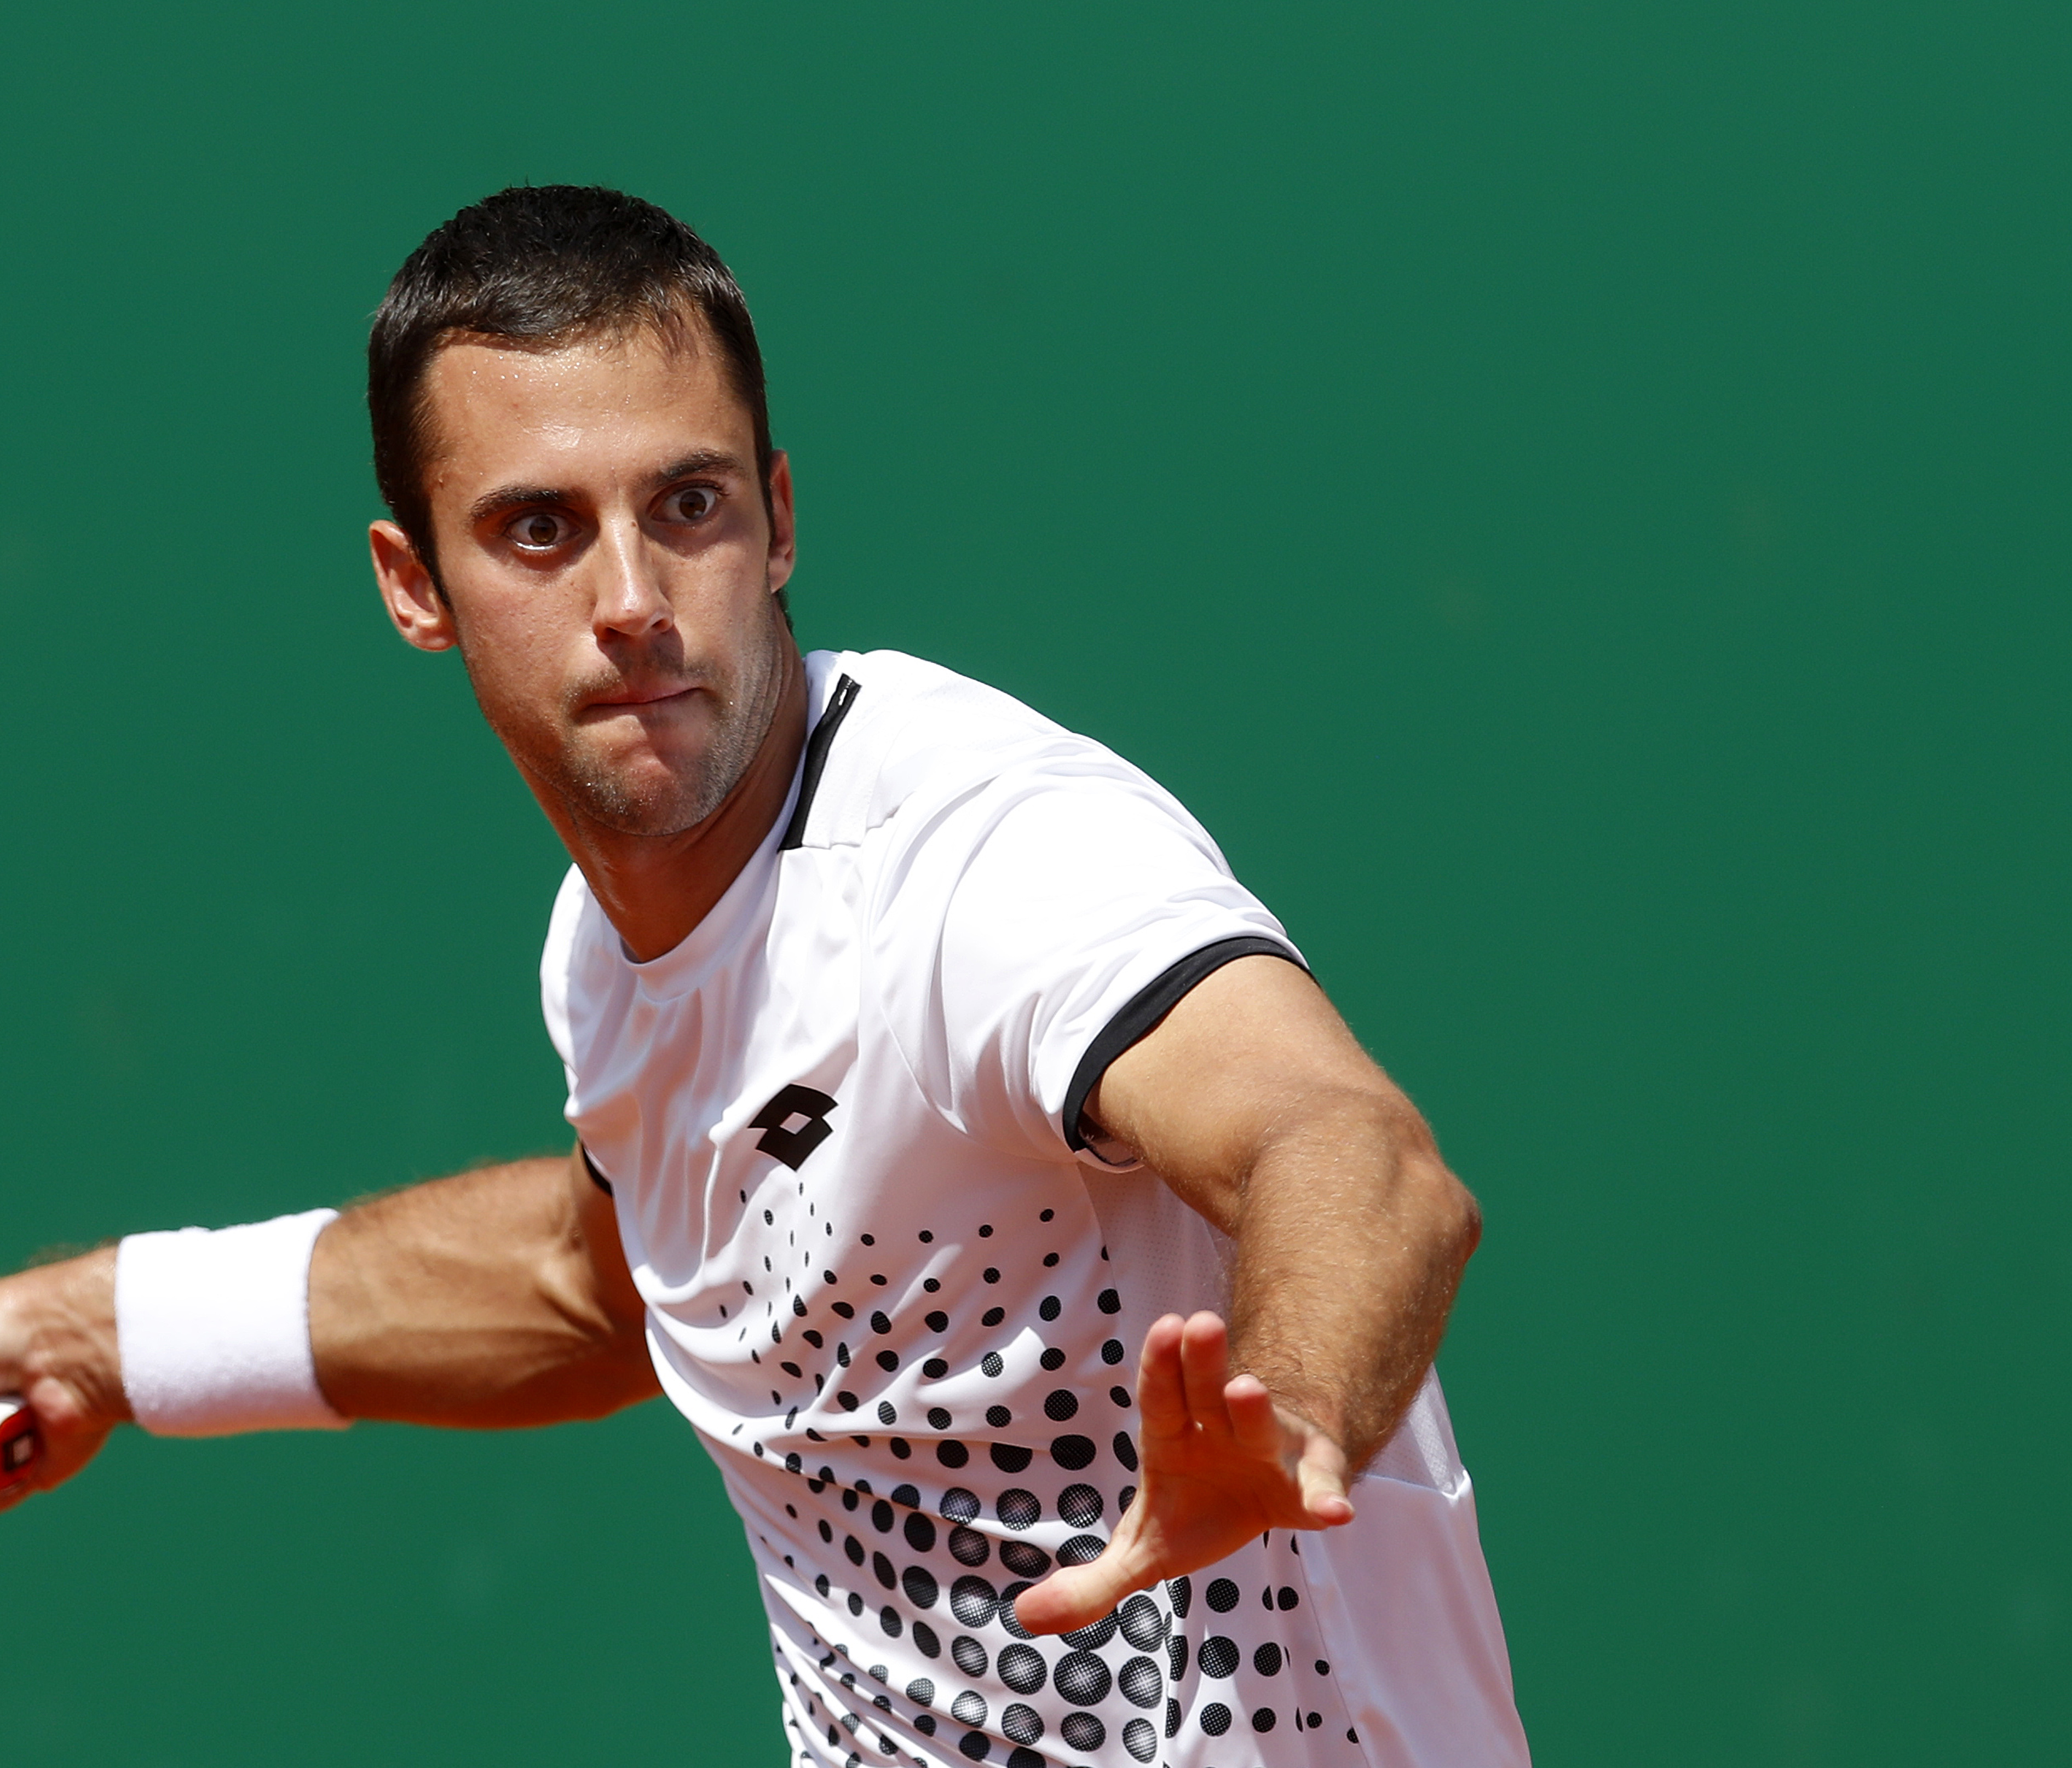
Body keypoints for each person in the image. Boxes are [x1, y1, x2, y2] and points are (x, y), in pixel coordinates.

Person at [0, 187, 1528, 1768]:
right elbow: (598, 1287)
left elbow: (1349, 1150)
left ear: (779, 517)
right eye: (540, 528)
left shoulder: (984, 860)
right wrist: (94, 1332)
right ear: (414, 584)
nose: (633, 601)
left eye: (688, 505)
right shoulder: (607, 957)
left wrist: (1284, 1406)